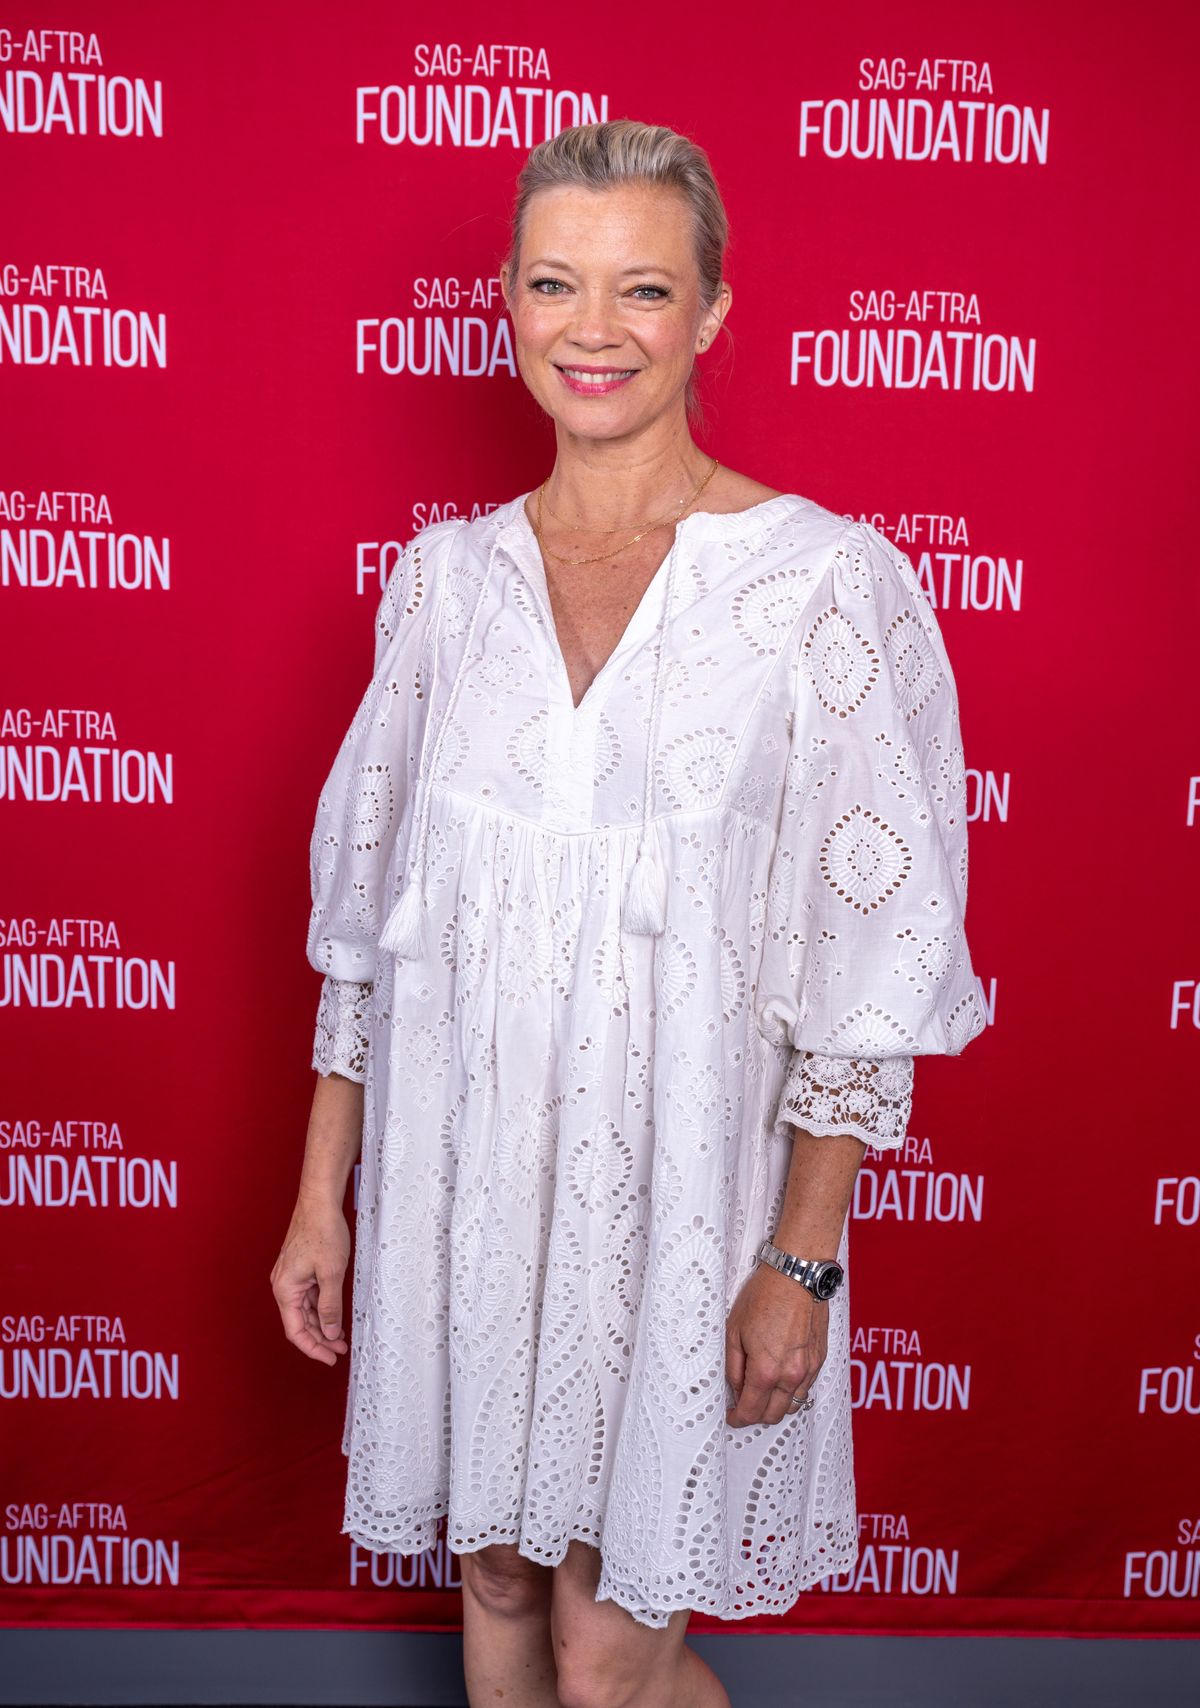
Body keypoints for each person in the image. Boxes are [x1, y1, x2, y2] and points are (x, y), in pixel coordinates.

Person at [271, 118, 986, 1708]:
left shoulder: (820, 586)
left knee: (609, 1662)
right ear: (508, 307)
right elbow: (368, 931)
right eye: (555, 284)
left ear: (714, 313)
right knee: (503, 1599)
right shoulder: (443, 587)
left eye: (644, 289)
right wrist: (326, 1199)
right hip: (468, 1205)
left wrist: (802, 1262)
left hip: (688, 1218)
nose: (594, 330)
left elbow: (871, 970)